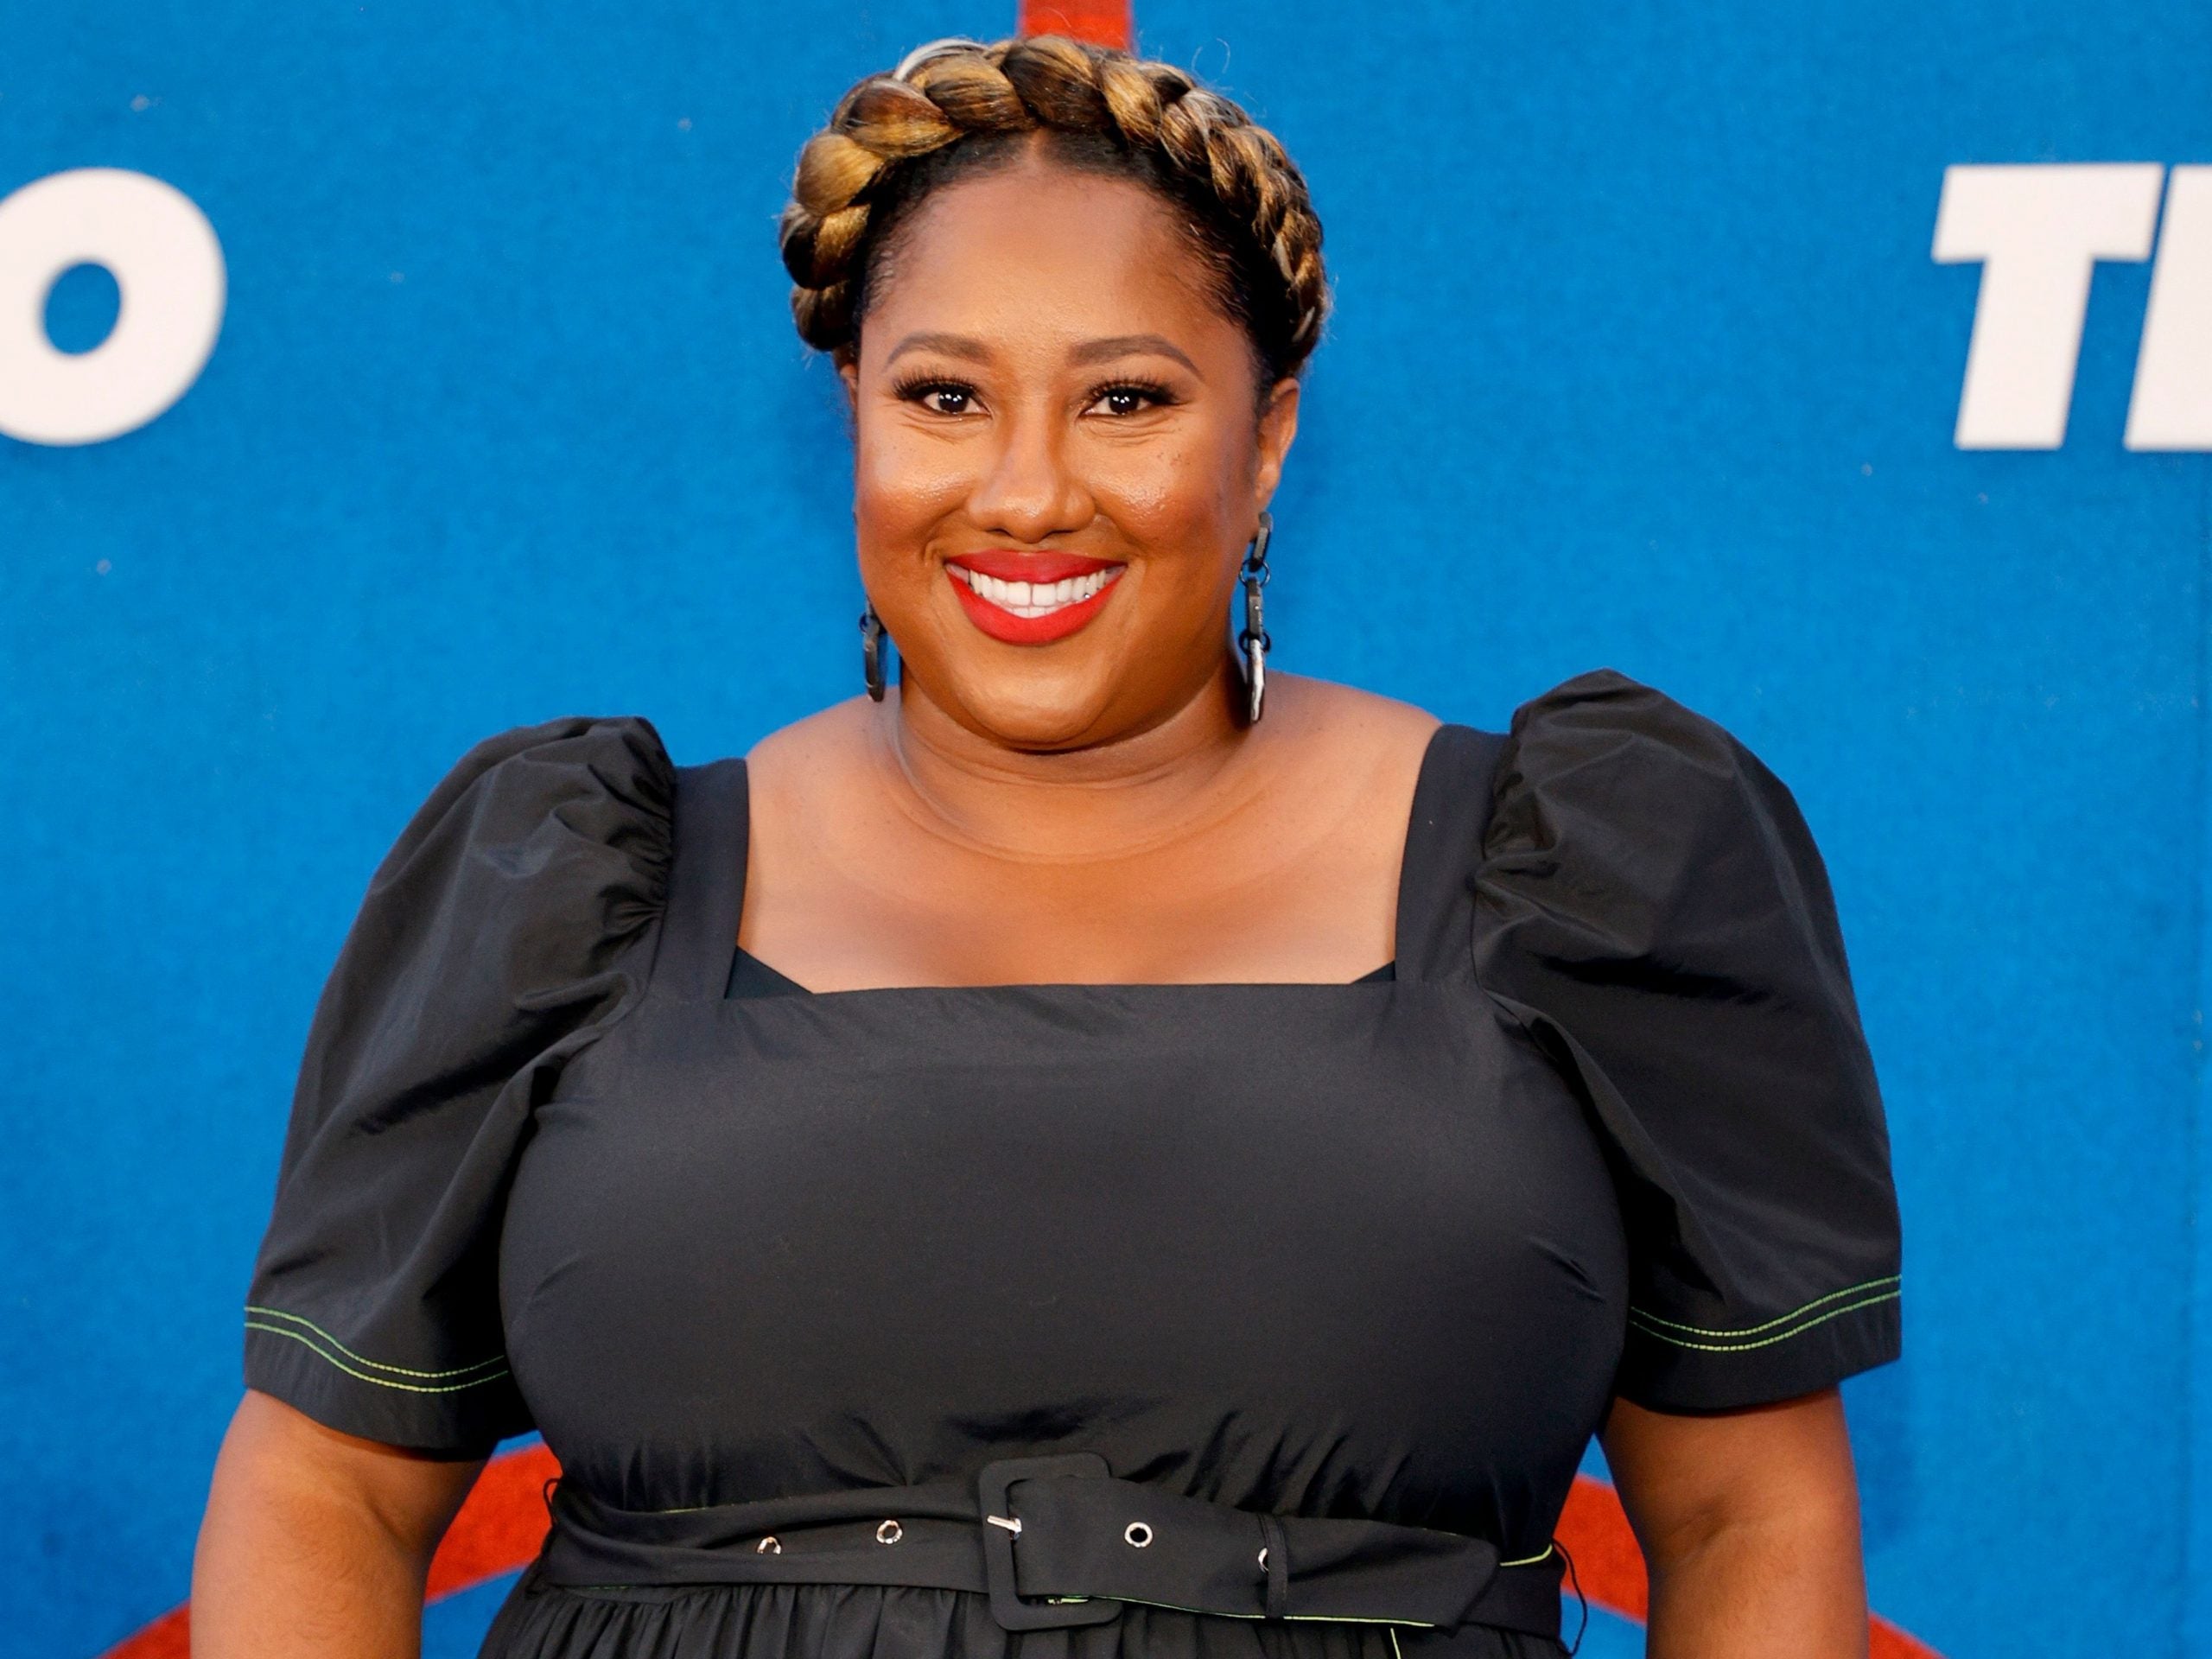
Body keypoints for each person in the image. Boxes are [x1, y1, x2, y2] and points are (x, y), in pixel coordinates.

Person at [191, 32, 1903, 1659]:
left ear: (1268, 436)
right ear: (851, 413)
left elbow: (1748, 1517)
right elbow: (325, 1492)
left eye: (1124, 399)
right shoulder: (570, 881)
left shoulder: (1586, 869)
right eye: (943, 396)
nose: (1024, 494)